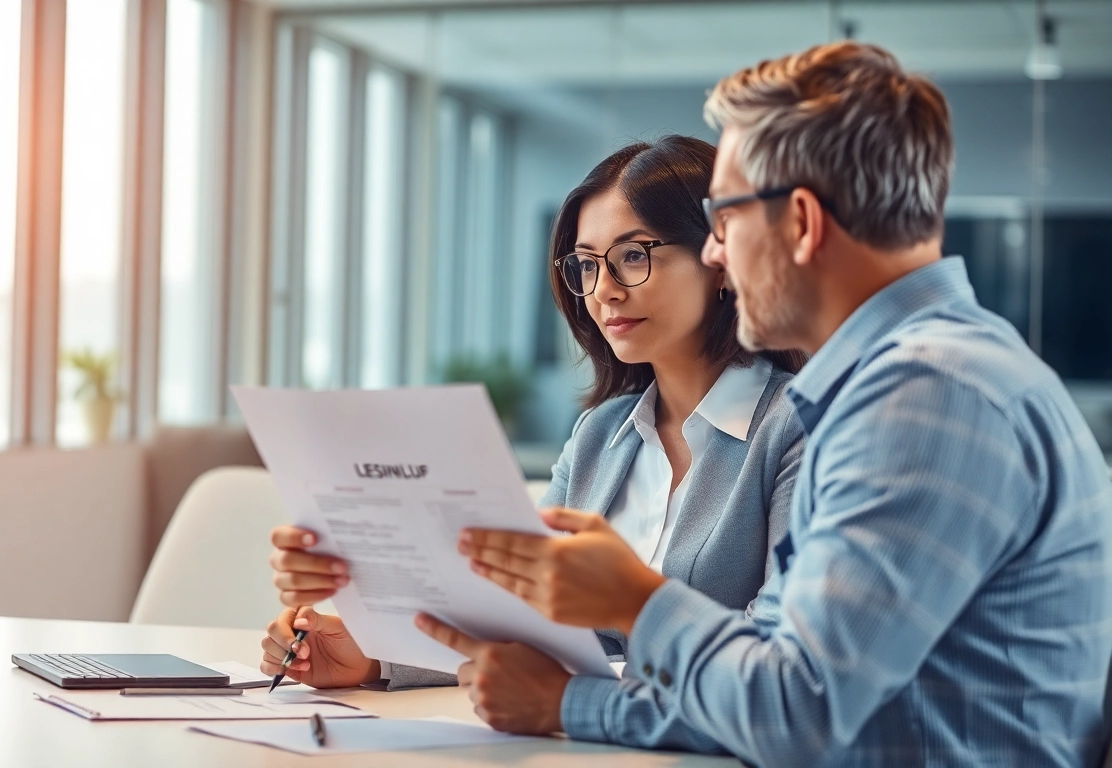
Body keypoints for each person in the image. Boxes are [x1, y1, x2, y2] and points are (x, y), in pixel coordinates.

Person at [420, 41, 1112, 767]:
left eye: (726, 217)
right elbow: (781, 664)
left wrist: (635, 606)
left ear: (802, 222)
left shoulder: (924, 396)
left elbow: (793, 714)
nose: (717, 251)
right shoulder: (916, 378)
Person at [259, 136, 805, 711]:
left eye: (634, 255)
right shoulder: (599, 435)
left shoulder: (797, 428)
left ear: (721, 259)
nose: (604, 290)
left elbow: (777, 666)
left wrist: (572, 699)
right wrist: (373, 656)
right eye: (587, 265)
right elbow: (533, 627)